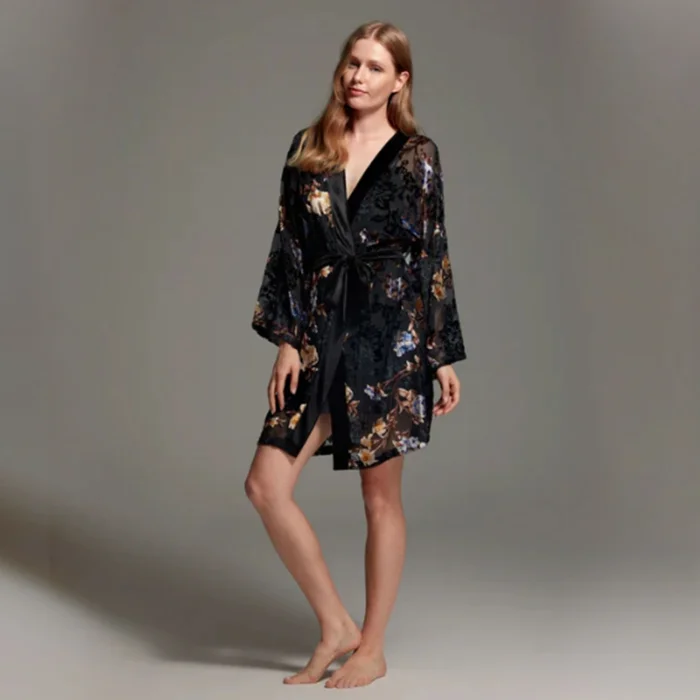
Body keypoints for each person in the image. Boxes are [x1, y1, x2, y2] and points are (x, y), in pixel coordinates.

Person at [245, 20, 467, 689]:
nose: (357, 76)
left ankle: (371, 646)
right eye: (352, 62)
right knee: (265, 486)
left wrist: (439, 355)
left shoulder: (417, 155)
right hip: (319, 331)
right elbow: (288, 248)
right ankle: (335, 626)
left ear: (400, 81)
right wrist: (287, 341)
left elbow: (431, 252)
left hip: (389, 338)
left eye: (373, 67)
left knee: (380, 498)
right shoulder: (308, 147)